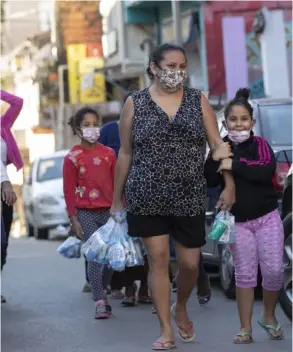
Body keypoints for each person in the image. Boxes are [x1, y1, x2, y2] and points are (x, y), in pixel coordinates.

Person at [110, 43, 235, 349]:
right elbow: (125, 153)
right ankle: (166, 328)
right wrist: (116, 200)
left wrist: (229, 184)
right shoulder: (135, 103)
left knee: (191, 264)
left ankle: (181, 307)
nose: (177, 72)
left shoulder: (197, 100)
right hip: (145, 194)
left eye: (182, 67)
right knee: (159, 260)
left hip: (189, 194)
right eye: (171, 66)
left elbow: (218, 145)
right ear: (153, 67)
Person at [204, 88, 284, 343]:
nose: (239, 124)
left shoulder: (261, 145)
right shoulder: (222, 147)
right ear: (225, 122)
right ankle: (245, 326)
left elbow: (264, 170)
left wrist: (234, 165)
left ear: (252, 122)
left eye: (244, 119)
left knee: (273, 270)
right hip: (238, 223)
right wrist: (216, 156)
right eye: (233, 120)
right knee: (245, 274)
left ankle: (269, 316)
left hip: (268, 217)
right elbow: (209, 178)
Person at [99, 94, 153, 306]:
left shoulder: (155, 127)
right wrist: (116, 199)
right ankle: (129, 286)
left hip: (153, 194)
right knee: (129, 244)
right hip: (126, 192)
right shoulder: (112, 130)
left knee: (152, 247)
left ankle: (147, 288)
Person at [63, 107, 116, 319]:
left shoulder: (109, 154)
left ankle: (102, 289)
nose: (92, 129)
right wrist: (72, 218)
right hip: (85, 213)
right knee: (95, 256)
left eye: (95, 124)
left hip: (110, 212)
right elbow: (68, 189)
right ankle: (100, 301)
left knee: (111, 258)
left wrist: (122, 208)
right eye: (87, 125)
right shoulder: (72, 157)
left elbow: (116, 182)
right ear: (78, 129)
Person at [1, 90, 23, 303]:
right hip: (4, 185)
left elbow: (18, 102)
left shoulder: (3, 124)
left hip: (4, 189)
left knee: (2, 242)